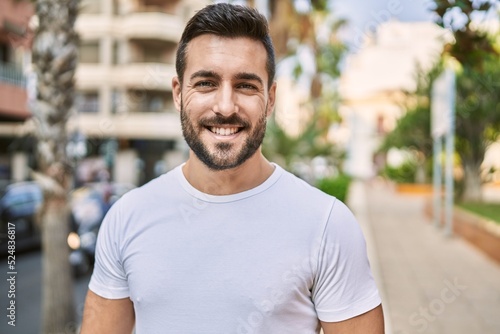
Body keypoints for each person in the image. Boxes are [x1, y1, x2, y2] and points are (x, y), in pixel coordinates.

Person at [81, 3, 384, 333]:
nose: (225, 107)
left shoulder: (328, 225)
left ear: (270, 99)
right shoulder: (127, 217)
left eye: (245, 85)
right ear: (178, 94)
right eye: (206, 83)